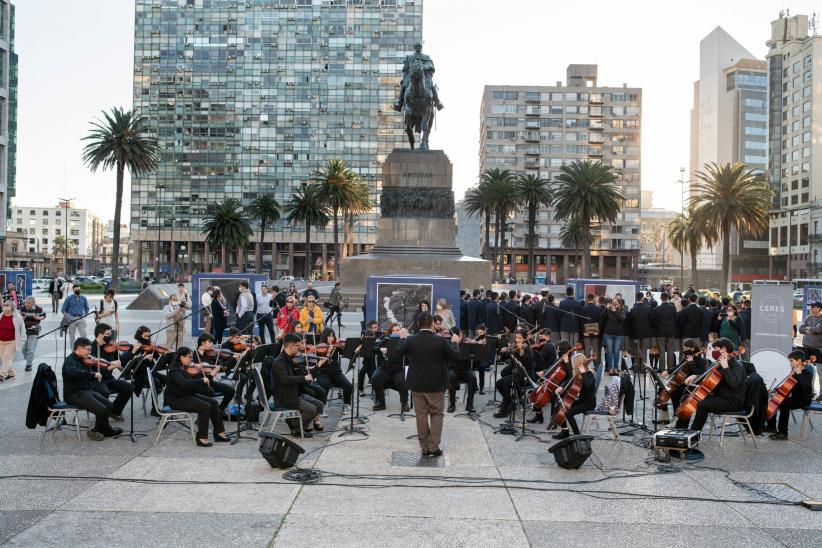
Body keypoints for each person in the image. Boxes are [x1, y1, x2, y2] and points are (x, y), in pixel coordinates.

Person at [397, 312, 459, 458]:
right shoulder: (440, 341)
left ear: (418, 324)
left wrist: (401, 338)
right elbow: (455, 355)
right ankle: (433, 447)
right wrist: (455, 342)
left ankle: (424, 447)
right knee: (437, 414)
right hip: (436, 384)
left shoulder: (411, 340)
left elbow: (399, 352)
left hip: (417, 384)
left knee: (421, 415)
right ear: (432, 324)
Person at [675, 338, 746, 432]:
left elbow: (734, 384)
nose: (713, 351)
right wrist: (695, 376)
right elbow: (708, 377)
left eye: (715, 349)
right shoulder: (717, 363)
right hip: (719, 396)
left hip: (732, 400)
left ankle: (694, 433)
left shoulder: (737, 366)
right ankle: (680, 429)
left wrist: (726, 368)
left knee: (703, 404)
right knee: (691, 396)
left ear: (723, 349)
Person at [163, 347, 230, 447]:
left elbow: (192, 383)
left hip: (186, 394)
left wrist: (207, 376)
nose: (191, 360)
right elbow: (185, 384)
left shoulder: (183, 368)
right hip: (176, 399)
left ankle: (219, 433)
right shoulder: (174, 371)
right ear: (181, 357)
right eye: (189, 357)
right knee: (205, 407)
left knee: (213, 403)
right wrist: (201, 380)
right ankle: (201, 438)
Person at [62, 337, 122, 440]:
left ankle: (102, 429)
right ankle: (99, 431)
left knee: (108, 405)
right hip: (74, 394)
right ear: (79, 348)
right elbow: (74, 372)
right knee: (101, 409)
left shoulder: (83, 359)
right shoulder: (69, 360)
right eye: (88, 349)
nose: (89, 352)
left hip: (85, 390)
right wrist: (92, 374)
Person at [271, 333, 322, 438]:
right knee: (312, 409)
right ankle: (296, 428)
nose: (299, 349)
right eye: (298, 346)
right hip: (285, 397)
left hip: (294, 393)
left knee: (319, 405)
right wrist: (303, 378)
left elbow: (299, 376)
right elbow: (285, 379)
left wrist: (307, 372)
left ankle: (296, 423)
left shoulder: (291, 359)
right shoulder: (279, 362)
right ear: (291, 346)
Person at [766, 350, 814, 440]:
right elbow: (788, 388)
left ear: (799, 361)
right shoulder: (794, 373)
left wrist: (798, 374)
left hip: (804, 399)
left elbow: (806, 388)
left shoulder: (807, 373)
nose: (790, 363)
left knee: (784, 405)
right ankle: (771, 426)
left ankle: (783, 433)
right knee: (776, 400)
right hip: (795, 398)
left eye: (791, 361)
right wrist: (775, 390)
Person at [89, 322, 133, 421]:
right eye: (108, 334)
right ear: (100, 335)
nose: (111, 337)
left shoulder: (111, 347)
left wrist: (132, 352)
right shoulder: (91, 348)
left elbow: (123, 361)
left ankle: (115, 411)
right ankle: (102, 417)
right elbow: (93, 369)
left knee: (129, 387)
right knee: (103, 391)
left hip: (109, 379)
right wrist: (111, 366)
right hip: (96, 380)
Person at [493, 328, 537, 418]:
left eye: (520, 338)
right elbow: (504, 358)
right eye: (516, 337)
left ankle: (505, 409)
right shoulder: (515, 347)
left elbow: (527, 364)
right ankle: (510, 403)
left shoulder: (527, 349)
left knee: (506, 383)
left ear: (524, 339)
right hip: (515, 375)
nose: (517, 340)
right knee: (499, 383)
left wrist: (521, 352)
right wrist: (503, 351)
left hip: (523, 377)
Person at [552, 353, 596, 439]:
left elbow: (588, 384)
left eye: (573, 363)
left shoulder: (589, 373)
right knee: (562, 406)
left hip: (589, 403)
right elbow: (570, 380)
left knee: (569, 413)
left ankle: (577, 435)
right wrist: (562, 387)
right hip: (582, 400)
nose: (572, 365)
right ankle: (565, 431)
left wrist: (583, 373)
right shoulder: (578, 374)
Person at [191, 333, 237, 412]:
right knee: (209, 392)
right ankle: (202, 416)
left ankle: (219, 411)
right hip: (199, 384)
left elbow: (223, 367)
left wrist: (232, 359)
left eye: (213, 342)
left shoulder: (211, 355)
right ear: (202, 343)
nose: (212, 344)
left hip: (210, 382)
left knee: (231, 391)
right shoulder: (193, 356)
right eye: (210, 342)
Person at [660, 338, 707, 414]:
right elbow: (678, 367)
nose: (684, 350)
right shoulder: (686, 357)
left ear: (693, 348)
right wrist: (667, 371)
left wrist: (691, 363)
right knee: (663, 389)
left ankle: (676, 415)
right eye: (683, 348)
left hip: (690, 385)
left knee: (674, 393)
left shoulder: (701, 361)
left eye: (686, 348)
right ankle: (664, 414)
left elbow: (699, 374)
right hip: (680, 382)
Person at [372, 323, 409, 411]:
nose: (396, 332)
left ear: (400, 331)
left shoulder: (405, 340)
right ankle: (381, 402)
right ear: (390, 332)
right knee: (375, 378)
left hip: (399, 369)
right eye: (393, 330)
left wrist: (404, 338)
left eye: (397, 330)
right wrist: (381, 349)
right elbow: (373, 349)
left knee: (402, 380)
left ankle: (404, 402)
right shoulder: (386, 339)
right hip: (386, 368)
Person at [313, 328, 353, 406]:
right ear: (325, 337)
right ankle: (321, 407)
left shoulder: (336, 346)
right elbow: (320, 362)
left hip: (336, 372)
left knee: (348, 386)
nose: (332, 338)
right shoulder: (320, 347)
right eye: (329, 336)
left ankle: (346, 404)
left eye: (333, 336)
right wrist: (328, 352)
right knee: (324, 386)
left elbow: (346, 354)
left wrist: (343, 347)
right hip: (323, 373)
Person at [447, 327, 477, 414]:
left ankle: (469, 404)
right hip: (453, 369)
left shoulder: (468, 343)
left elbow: (475, 361)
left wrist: (473, 349)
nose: (462, 336)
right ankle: (452, 404)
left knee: (472, 377)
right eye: (460, 334)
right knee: (451, 377)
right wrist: (455, 344)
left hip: (466, 369)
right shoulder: (449, 344)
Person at [651, 292, 677, 370]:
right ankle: (670, 367)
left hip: (660, 332)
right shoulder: (673, 308)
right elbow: (676, 319)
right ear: (668, 298)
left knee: (661, 350)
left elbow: (654, 322)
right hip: (671, 331)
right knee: (670, 349)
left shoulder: (657, 309)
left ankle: (661, 368)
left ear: (660, 298)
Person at [627, 293, 652, 373]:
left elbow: (629, 323)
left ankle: (637, 367)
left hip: (635, 333)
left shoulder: (633, 310)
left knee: (637, 351)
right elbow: (651, 321)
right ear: (642, 298)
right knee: (644, 351)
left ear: (636, 298)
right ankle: (643, 367)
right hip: (645, 333)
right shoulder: (648, 309)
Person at [601, 298, 627, 376]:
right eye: (614, 302)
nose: (615, 304)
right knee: (609, 352)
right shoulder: (608, 310)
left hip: (619, 334)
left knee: (616, 352)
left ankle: (616, 368)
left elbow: (623, 319)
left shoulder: (621, 311)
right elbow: (602, 318)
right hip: (608, 333)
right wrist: (606, 309)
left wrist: (615, 311)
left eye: (617, 303)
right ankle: (610, 368)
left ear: (619, 304)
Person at [0, 301, 24, 382]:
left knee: (7, 358)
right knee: (3, 358)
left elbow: (23, 330)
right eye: (4, 305)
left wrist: (22, 340)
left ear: (12, 307)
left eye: (7, 305)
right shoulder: (1, 316)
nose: (5, 306)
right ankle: (11, 374)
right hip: (1, 341)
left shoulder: (17, 317)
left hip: (12, 341)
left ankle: (2, 375)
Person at [21, 296, 46, 372]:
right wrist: (22, 317)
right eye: (26, 302)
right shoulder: (23, 308)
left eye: (29, 303)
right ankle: (29, 359)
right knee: (23, 349)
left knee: (30, 349)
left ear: (33, 303)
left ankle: (29, 364)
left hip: (34, 330)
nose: (27, 304)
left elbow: (44, 315)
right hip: (24, 330)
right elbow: (19, 316)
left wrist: (39, 318)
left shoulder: (39, 309)